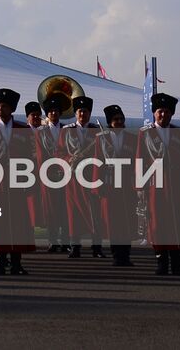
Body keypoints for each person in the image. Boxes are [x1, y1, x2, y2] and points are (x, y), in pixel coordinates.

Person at [0, 89, 36, 276]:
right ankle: (0, 262)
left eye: (3, 106)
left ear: (11, 109)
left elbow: (30, 157)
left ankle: (16, 263)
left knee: (19, 222)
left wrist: (29, 180)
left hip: (17, 182)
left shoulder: (23, 129)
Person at [137, 92, 180, 275]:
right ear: (154, 113)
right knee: (158, 224)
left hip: (176, 185)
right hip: (155, 185)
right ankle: (161, 263)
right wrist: (140, 186)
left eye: (167, 111)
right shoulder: (145, 133)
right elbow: (140, 161)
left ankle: (177, 264)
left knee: (178, 224)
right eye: (160, 111)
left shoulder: (179, 133)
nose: (163, 114)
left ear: (172, 113)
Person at [61, 95, 103, 258]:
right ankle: (75, 246)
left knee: (95, 212)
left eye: (85, 111)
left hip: (92, 176)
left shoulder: (97, 130)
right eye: (79, 111)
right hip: (73, 178)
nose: (82, 114)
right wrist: (69, 159)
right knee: (73, 213)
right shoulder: (66, 130)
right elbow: (58, 152)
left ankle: (97, 247)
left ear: (89, 113)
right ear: (75, 113)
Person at [96, 105, 136, 266]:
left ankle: (126, 255)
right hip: (109, 184)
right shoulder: (101, 139)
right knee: (113, 221)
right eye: (115, 119)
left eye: (121, 119)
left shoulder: (132, 138)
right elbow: (97, 162)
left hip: (126, 184)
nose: (119, 121)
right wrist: (97, 185)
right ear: (109, 122)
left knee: (127, 220)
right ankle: (116, 255)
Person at [36, 93, 70, 253]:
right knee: (51, 208)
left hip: (66, 174)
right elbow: (40, 154)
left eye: (56, 111)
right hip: (48, 175)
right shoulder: (40, 132)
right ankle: (53, 240)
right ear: (47, 114)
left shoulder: (67, 129)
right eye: (51, 111)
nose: (54, 113)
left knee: (65, 208)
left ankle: (65, 240)